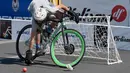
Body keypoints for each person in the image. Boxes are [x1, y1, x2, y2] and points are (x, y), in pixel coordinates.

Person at [25, 0, 79, 64]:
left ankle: (48, 30)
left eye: (40, 21)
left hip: (44, 12)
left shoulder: (49, 8)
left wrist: (71, 12)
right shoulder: (33, 4)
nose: (39, 22)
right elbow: (32, 38)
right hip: (36, 14)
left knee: (58, 15)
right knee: (35, 32)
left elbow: (61, 6)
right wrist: (29, 54)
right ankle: (38, 47)